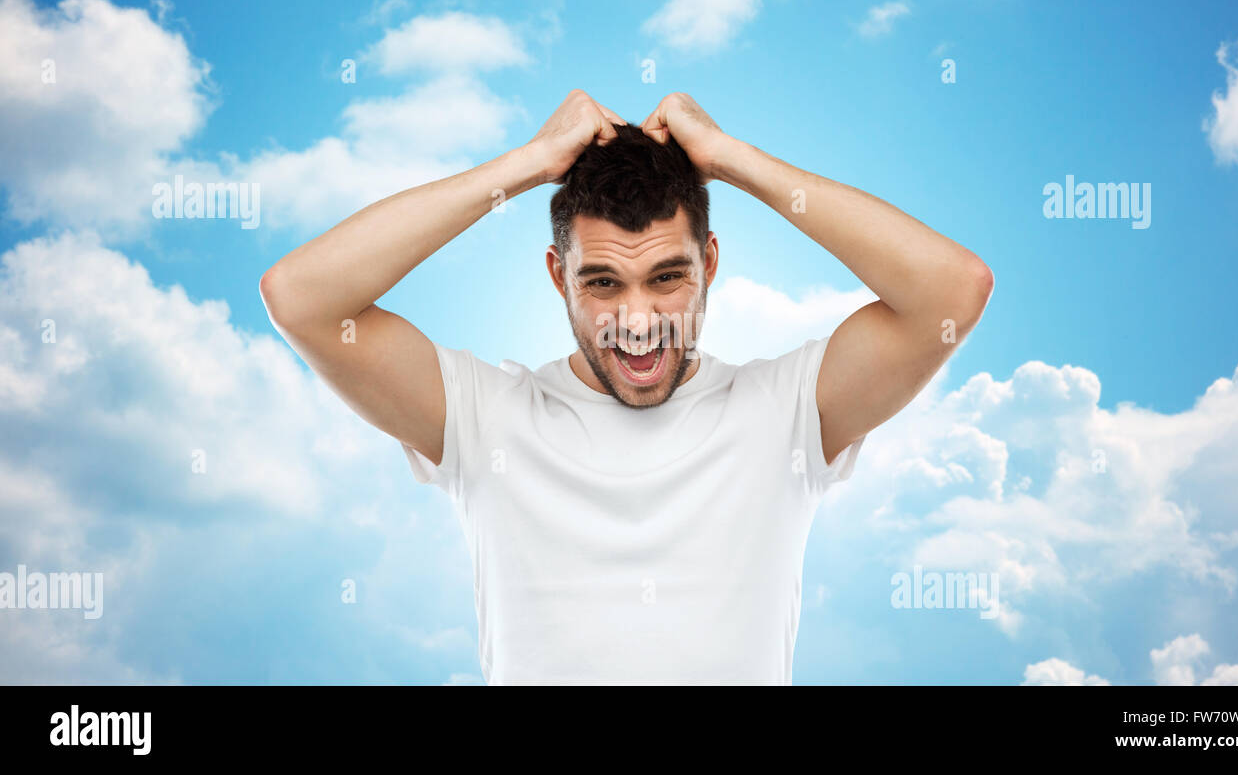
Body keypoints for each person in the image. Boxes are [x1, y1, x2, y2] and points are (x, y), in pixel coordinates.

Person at [259, 90, 994, 685]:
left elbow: (952, 291)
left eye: (668, 278)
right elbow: (301, 298)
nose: (638, 323)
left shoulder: (786, 414)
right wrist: (527, 163)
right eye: (603, 283)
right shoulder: (486, 421)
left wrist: (731, 159)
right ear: (558, 277)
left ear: (710, 262)